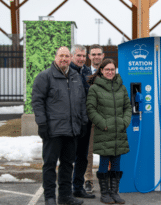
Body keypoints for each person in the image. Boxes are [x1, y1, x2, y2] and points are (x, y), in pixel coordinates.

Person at [32, 46, 87, 205]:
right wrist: (41, 123)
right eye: (61, 55)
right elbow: (37, 101)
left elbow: (81, 101)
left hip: (71, 130)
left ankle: (65, 196)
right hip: (53, 131)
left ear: (70, 58)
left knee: (68, 165)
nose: (64, 59)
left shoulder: (75, 76)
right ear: (56, 57)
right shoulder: (45, 77)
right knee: (49, 165)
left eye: (67, 56)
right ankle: (50, 197)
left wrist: (82, 122)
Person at [86, 58, 132, 204]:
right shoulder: (95, 88)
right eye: (107, 70)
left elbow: (127, 108)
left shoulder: (122, 88)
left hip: (119, 131)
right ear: (101, 71)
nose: (110, 72)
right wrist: (104, 124)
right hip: (104, 132)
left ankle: (114, 193)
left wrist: (125, 122)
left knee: (117, 163)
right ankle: (105, 194)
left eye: (112, 70)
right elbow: (91, 109)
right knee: (104, 163)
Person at [69, 45, 95, 199]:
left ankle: (78, 188)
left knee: (82, 157)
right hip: (70, 122)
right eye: (78, 55)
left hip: (85, 122)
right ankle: (66, 190)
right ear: (72, 56)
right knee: (67, 158)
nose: (81, 58)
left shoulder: (87, 72)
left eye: (83, 56)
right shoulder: (67, 72)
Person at [84, 44, 105, 193]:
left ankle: (106, 180)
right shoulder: (82, 73)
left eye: (99, 54)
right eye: (93, 54)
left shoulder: (109, 72)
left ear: (103, 56)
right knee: (88, 152)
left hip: (105, 119)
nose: (96, 56)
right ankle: (88, 180)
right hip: (89, 119)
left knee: (106, 150)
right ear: (89, 56)